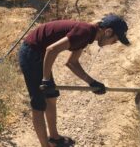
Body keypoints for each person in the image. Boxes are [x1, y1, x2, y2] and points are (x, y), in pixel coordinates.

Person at [18, 14, 130, 147]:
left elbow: (72, 63)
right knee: (38, 104)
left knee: (51, 97)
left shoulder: (88, 34)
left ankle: (54, 138)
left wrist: (92, 82)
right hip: (31, 53)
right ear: (108, 32)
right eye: (115, 40)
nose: (114, 43)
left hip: (40, 54)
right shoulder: (85, 32)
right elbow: (51, 49)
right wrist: (46, 79)